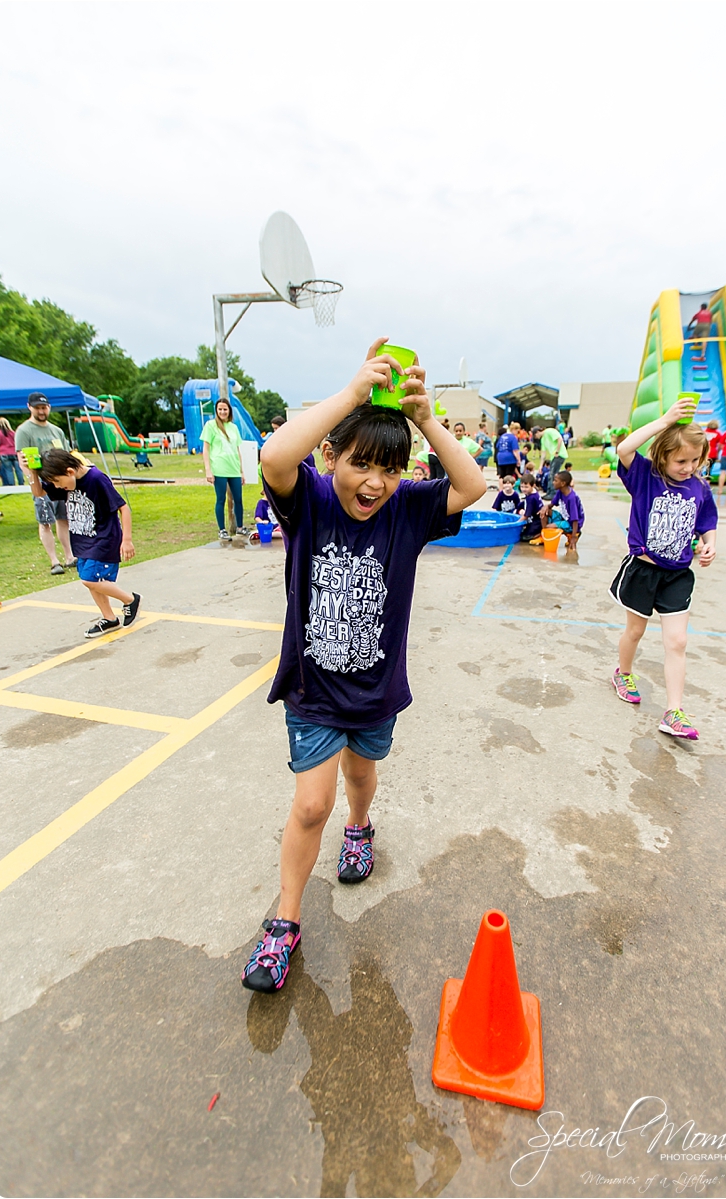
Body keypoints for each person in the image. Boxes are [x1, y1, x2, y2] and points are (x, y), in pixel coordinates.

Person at [241, 339, 486, 994]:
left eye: (390, 468)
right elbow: (272, 455)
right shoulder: (311, 500)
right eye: (360, 464)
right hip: (313, 690)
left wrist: (427, 418)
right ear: (332, 458)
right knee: (310, 803)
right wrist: (352, 394)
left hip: (376, 692)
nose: (374, 482)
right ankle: (285, 918)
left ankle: (362, 826)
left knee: (360, 776)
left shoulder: (407, 511)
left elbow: (472, 484)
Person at [609, 397, 717, 740]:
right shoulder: (644, 477)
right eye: (681, 460)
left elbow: (707, 521)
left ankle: (673, 711)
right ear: (663, 456)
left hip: (677, 575)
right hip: (643, 570)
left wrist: (710, 541)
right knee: (635, 633)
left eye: (695, 460)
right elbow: (624, 448)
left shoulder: (700, 487)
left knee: (678, 642)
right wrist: (665, 420)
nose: (688, 467)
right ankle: (623, 672)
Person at [29, 448, 141, 639]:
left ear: (70, 472)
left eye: (58, 482)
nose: (57, 487)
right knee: (92, 583)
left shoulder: (96, 479)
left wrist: (127, 540)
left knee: (90, 579)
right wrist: (32, 470)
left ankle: (130, 600)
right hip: (83, 540)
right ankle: (109, 618)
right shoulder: (66, 480)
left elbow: (124, 508)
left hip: (104, 538)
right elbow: (39, 492)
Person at [15, 392, 75, 575]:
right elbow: (22, 459)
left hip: (60, 481)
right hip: (41, 481)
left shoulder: (57, 430)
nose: (41, 411)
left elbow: (67, 455)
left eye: (44, 407)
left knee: (63, 518)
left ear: (48, 407)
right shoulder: (24, 431)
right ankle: (54, 560)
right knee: (45, 521)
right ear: (30, 407)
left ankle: (69, 556)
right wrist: (34, 481)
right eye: (37, 408)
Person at [201, 399, 250, 541]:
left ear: (229, 411)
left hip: (233, 468)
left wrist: (241, 471)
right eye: (220, 409)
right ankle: (222, 529)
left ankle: (240, 527)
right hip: (219, 468)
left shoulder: (233, 427)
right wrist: (208, 470)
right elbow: (206, 448)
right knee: (221, 499)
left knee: (238, 499)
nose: (222, 412)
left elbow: (237, 449)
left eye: (225, 409)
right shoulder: (210, 426)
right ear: (216, 411)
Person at [543, 470, 585, 547]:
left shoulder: (571, 498)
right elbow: (551, 505)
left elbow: (575, 519)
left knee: (549, 528)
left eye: (555, 480)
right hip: (564, 518)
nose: (553, 482)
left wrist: (573, 537)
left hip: (572, 523)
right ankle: (543, 537)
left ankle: (573, 534)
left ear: (562, 483)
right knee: (543, 512)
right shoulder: (560, 491)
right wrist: (545, 507)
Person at [0, 418, 25, 487]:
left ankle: (12, 485)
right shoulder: (13, 433)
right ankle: (21, 484)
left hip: (4, 454)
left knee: (9, 470)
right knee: (19, 470)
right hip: (14, 453)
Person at [518, 472, 544, 542]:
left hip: (537, 521)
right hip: (537, 518)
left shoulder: (531, 498)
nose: (523, 489)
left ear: (533, 486)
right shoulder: (533, 492)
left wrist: (517, 522)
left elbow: (527, 515)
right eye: (522, 487)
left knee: (523, 537)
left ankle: (538, 534)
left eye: (526, 487)